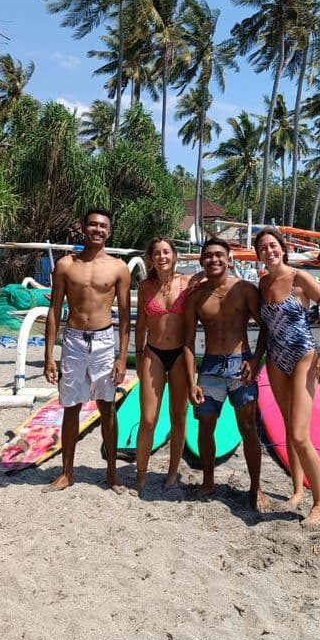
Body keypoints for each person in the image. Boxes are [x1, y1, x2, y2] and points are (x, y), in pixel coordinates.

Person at [254, 226, 320, 527]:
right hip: (276, 360)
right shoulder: (263, 284)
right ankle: (296, 489)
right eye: (263, 247)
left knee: (299, 435)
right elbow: (266, 328)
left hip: (304, 357)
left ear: (282, 248)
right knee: (286, 424)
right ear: (259, 254)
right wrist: (256, 360)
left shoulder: (299, 279)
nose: (269, 251)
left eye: (273, 245)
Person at [43, 208, 130, 492]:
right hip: (74, 340)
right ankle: (66, 472)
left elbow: (126, 316)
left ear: (109, 231)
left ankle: (112, 472)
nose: (97, 229)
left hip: (104, 341)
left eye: (102, 225)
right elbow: (54, 310)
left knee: (107, 407)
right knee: (71, 405)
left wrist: (121, 357)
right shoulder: (66, 265)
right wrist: (48, 357)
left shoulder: (118, 268)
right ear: (83, 228)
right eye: (92, 224)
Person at [183, 238, 269, 511]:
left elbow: (265, 327)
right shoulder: (196, 297)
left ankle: (256, 487)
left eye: (219, 255)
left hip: (240, 363)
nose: (214, 260)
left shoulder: (244, 290)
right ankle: (208, 482)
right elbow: (187, 342)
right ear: (201, 262)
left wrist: (255, 361)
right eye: (208, 256)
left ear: (229, 259)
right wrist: (190, 380)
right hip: (210, 367)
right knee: (205, 426)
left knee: (248, 428)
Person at [133, 238, 193, 494]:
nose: (162, 257)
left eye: (166, 252)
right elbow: (140, 325)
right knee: (148, 419)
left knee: (178, 418)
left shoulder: (188, 284)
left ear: (174, 256)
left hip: (181, 355)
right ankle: (141, 474)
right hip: (153, 353)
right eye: (156, 253)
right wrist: (136, 355)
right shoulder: (145, 286)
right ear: (151, 258)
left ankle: (171, 474)